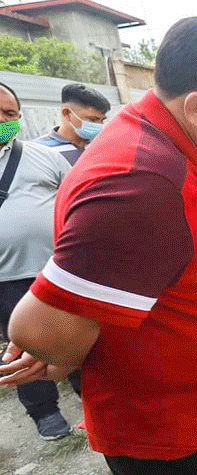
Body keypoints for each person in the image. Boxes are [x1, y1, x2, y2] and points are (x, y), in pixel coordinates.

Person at [0, 15, 197, 475]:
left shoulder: (169, 147)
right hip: (171, 439)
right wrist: (65, 349)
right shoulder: (140, 182)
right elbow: (37, 330)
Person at [0, 81, 78, 441]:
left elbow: (76, 202)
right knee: (23, 345)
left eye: (10, 114)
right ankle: (44, 412)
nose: (4, 119)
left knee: (75, 338)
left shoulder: (43, 157)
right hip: (5, 282)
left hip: (57, 272)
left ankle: (89, 396)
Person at [34, 83, 110, 165]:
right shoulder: (39, 150)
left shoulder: (102, 145)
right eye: (93, 120)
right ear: (66, 113)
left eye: (102, 120)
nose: (99, 125)